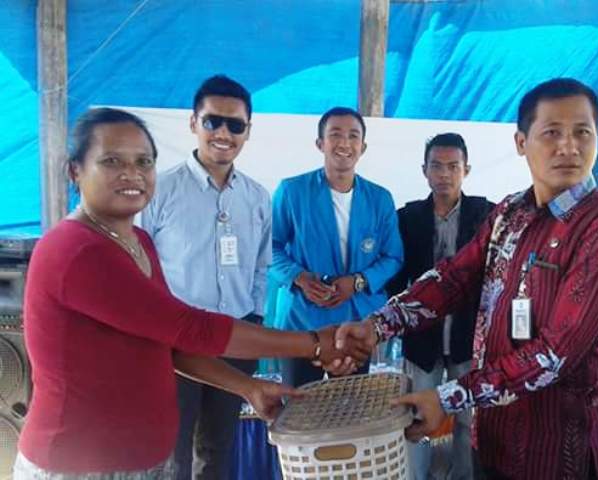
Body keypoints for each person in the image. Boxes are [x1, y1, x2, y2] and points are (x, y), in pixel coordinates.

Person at [15, 108, 367, 479]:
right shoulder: (77, 249)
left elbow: (169, 343)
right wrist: (314, 344)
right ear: (75, 171)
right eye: (112, 161)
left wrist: (246, 386)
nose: (132, 173)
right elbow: (186, 327)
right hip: (77, 465)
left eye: (143, 161)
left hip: (138, 461)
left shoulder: (138, 241)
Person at [335, 78, 598, 479]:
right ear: (521, 142)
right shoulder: (510, 212)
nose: (568, 147)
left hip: (561, 449)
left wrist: (449, 397)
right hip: (495, 437)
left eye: (582, 132)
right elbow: (453, 279)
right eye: (552, 132)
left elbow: (555, 353)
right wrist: (378, 325)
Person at [140, 74, 269, 479]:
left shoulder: (257, 196)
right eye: (213, 121)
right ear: (193, 122)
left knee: (219, 447)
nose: (224, 134)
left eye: (236, 125)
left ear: (248, 131)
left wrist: (254, 319)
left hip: (235, 336)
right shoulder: (159, 191)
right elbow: (139, 267)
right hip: (175, 340)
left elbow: (261, 266)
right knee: (172, 450)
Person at [385, 132, 494, 480]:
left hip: (468, 336)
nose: (444, 174)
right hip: (422, 337)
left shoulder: (486, 215)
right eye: (436, 166)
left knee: (468, 419)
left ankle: (463, 476)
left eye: (453, 166)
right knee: (415, 418)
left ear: (466, 170)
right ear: (424, 171)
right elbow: (394, 274)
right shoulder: (407, 217)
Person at [271, 106, 404, 387]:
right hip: (301, 322)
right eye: (335, 134)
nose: (345, 143)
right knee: (297, 405)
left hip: (355, 324)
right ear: (320, 143)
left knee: (350, 406)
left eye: (353, 136)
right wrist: (300, 278)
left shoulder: (380, 199)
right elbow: (270, 248)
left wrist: (358, 281)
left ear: (362, 147)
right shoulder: (291, 191)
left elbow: (392, 257)